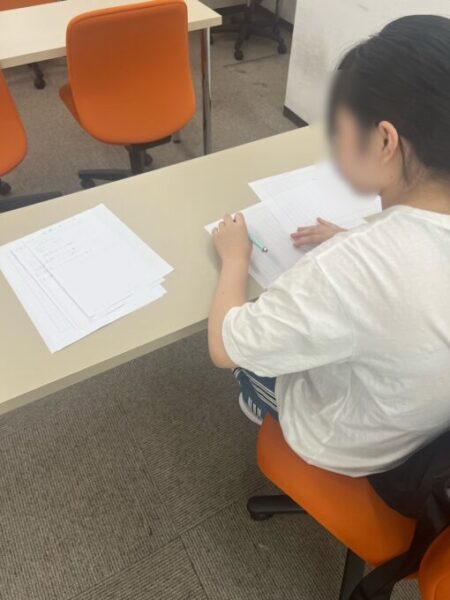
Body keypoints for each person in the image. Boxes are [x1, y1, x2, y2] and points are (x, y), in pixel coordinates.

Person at [207, 15, 450, 477]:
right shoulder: (375, 254)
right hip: (422, 427)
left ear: (384, 140)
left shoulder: (352, 266)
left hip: (346, 440)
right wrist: (356, 239)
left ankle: (263, 407)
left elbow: (224, 345)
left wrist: (235, 257)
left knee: (244, 349)